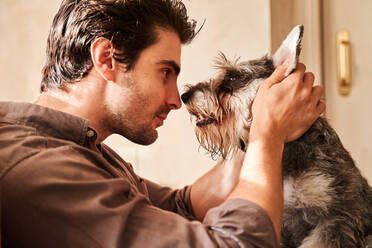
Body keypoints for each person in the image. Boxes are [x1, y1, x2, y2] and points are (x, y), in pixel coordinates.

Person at [0, 0, 325, 247]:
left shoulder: (85, 149)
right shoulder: (41, 169)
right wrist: (266, 137)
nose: (174, 99)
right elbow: (235, 244)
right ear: (106, 59)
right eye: (165, 72)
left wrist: (258, 121)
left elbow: (181, 206)